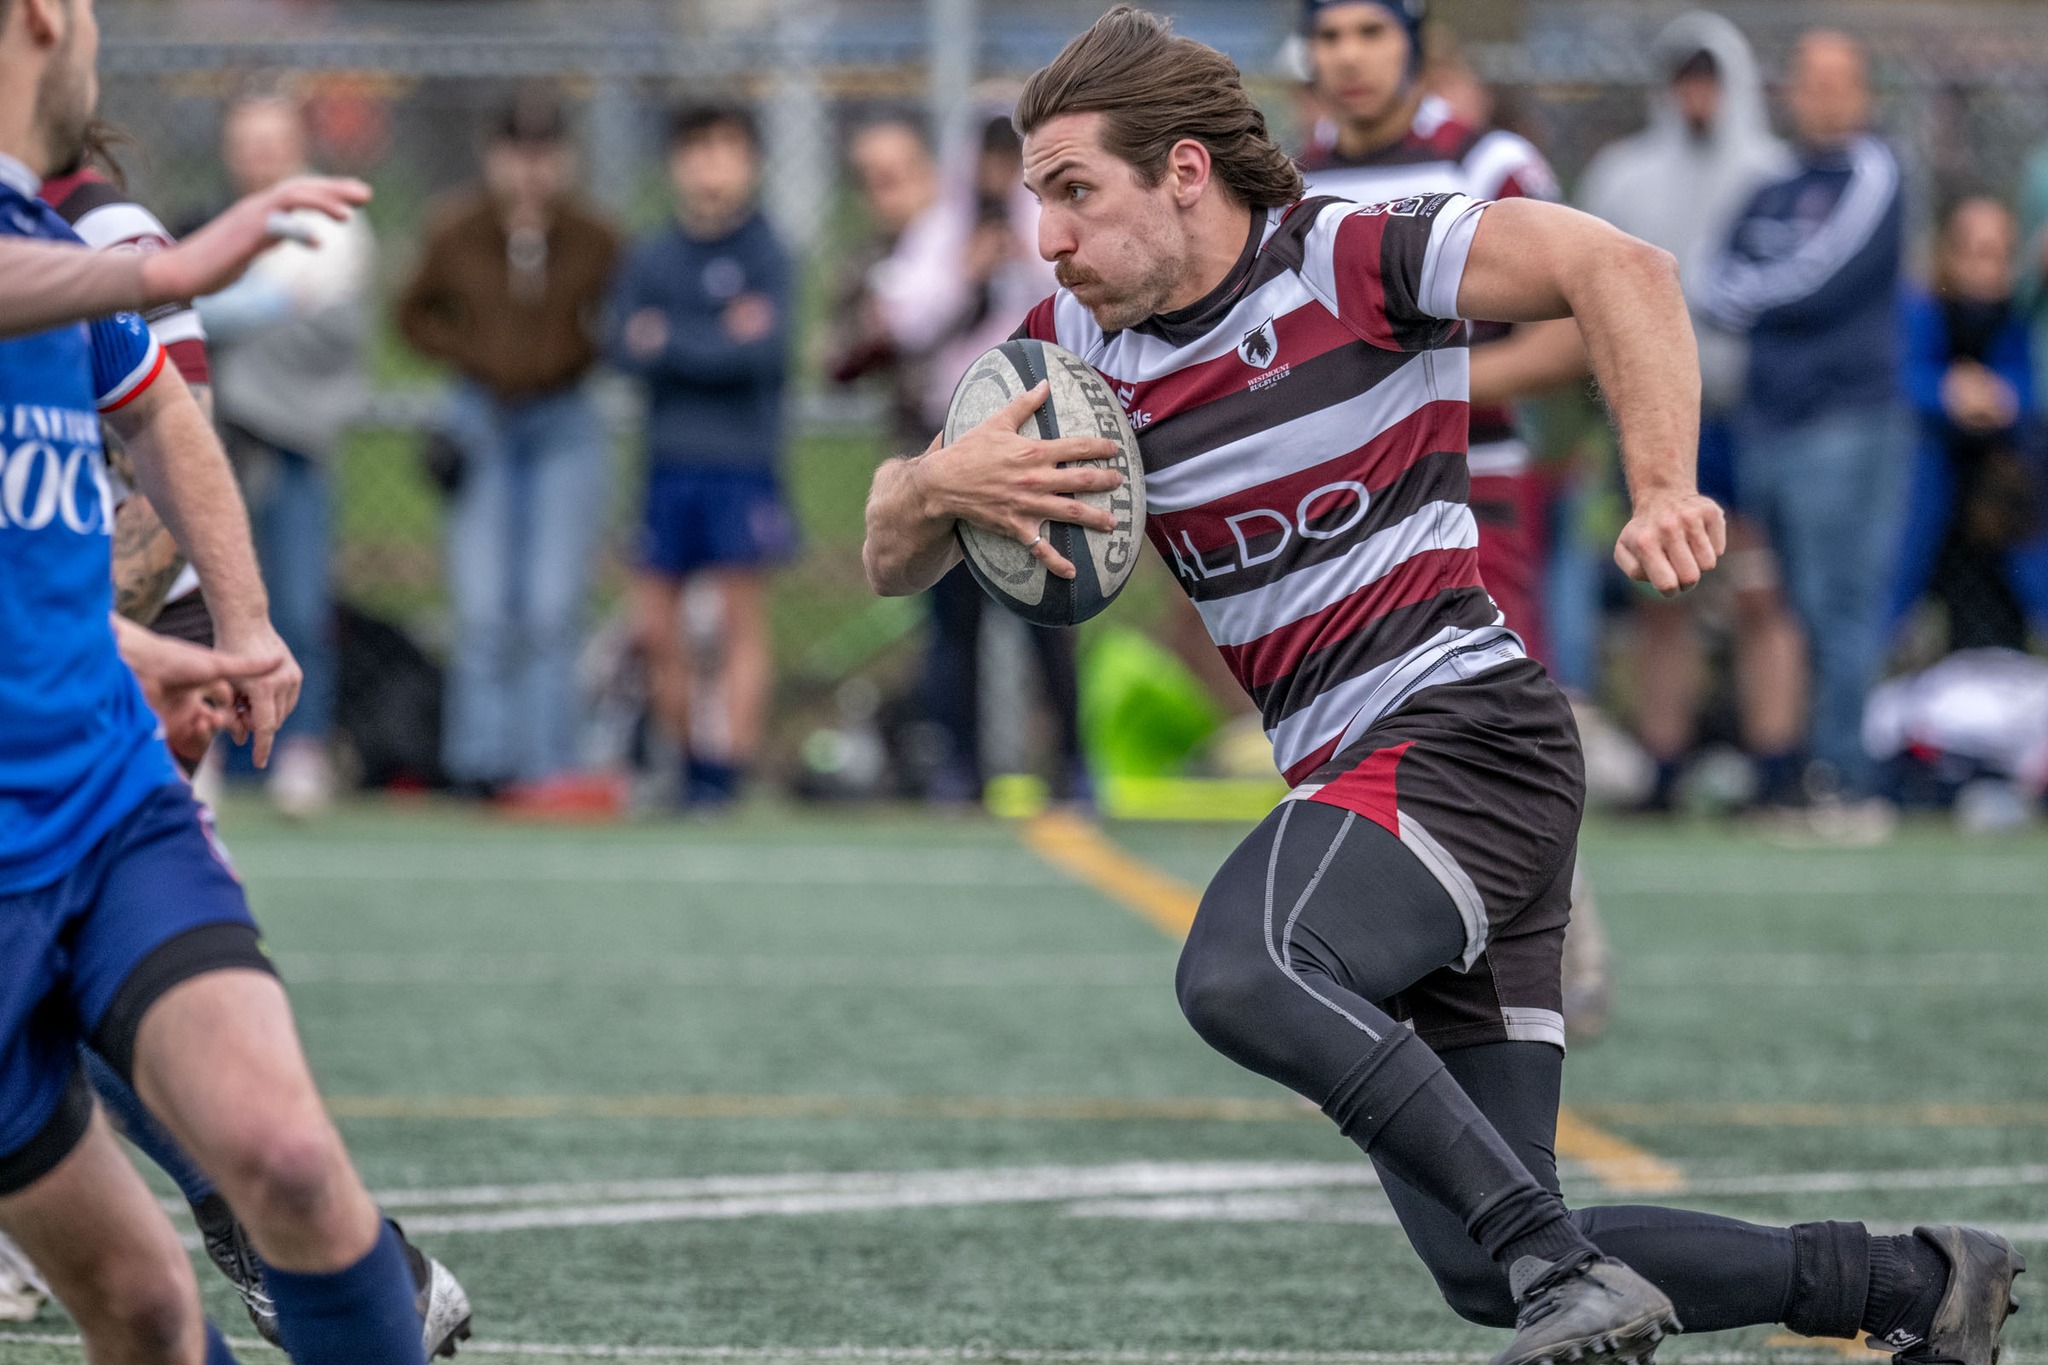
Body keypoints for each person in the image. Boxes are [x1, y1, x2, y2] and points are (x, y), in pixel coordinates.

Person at [861, 10, 2025, 1365]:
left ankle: (1559, 1264)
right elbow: (892, 549)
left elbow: (1625, 267)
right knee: (1483, 1263)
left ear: (1185, 171)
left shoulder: (1352, 253)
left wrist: (1662, 489)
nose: (1048, 237)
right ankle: (1915, 1281)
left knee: (1243, 965)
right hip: (1395, 781)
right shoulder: (1072, 339)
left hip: (1462, 736)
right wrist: (942, 483)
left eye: (1074, 193)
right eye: (1036, 201)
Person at [0, 0, 439, 1360]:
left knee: (288, 1162)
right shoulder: (75, 264)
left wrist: (216, 635)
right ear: (45, 20)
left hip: (102, 806)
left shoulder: (60, 253)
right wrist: (171, 265)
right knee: (137, 1303)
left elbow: (150, 431)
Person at [1294, 0, 1614, 1040]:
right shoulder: (1288, 181)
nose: (1347, 57)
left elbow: (1578, 328)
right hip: (1337, 504)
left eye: (1369, 33)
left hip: (1470, 488)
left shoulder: (1491, 163)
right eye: (1328, 36)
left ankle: (1559, 954)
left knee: (1495, 714)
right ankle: (1388, 965)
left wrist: (1424, 388)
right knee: (1355, 725)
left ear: (1414, 45)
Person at [1577, 13, 1808, 814]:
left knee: (1757, 587)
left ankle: (1775, 761)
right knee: (1659, 589)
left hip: (1750, 411)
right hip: (1649, 413)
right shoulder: (1625, 176)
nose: (1698, 93)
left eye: (1711, 75)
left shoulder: (1774, 172)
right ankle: (1664, 761)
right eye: (1686, 76)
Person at [840, 112, 1090, 804]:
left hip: (1033, 442)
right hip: (953, 443)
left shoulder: (1039, 223)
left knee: (1050, 615)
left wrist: (1018, 257)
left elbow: (1071, 304)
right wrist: (965, 273)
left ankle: (1071, 763)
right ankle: (962, 767)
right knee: (955, 625)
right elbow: (905, 319)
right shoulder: (942, 231)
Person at [1694, 32, 1907, 830]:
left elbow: (1821, 275)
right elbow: (1713, 278)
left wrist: (1752, 298)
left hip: (1844, 423)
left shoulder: (1874, 172)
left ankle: (1848, 778)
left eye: (1837, 82)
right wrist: (1749, 295)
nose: (1821, 97)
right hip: (1768, 425)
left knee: (1838, 603)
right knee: (1775, 605)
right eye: (1808, 81)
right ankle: (1790, 769)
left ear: (1864, 92)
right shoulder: (1774, 187)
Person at [399, 90, 620, 802]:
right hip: (481, 416)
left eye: (544, 152)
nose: (530, 169)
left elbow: (623, 317)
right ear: (494, 156)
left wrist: (579, 350)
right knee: (485, 600)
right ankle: (481, 762)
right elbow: (409, 313)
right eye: (517, 152)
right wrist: (469, 350)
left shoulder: (595, 235)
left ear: (564, 158)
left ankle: (547, 761)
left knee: (553, 602)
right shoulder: (457, 228)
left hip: (563, 417)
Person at [196, 90, 375, 819]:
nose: (257, 153)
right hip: (219, 444)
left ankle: (298, 750)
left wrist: (199, 297)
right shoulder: (210, 218)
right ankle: (202, 745)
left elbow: (233, 308)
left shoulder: (326, 222)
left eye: (272, 138)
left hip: (295, 441)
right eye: (246, 138)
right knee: (205, 594)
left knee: (297, 600)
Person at [607, 103, 792, 808]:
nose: (710, 164)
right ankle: (683, 763)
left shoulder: (768, 251)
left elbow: (762, 350)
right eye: (696, 149)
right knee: (658, 626)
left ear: (749, 162)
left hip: (742, 461)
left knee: (741, 622)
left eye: (726, 149)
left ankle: (728, 771)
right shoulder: (652, 254)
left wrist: (675, 342)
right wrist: (716, 337)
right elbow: (625, 346)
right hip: (666, 462)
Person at [1893, 195, 2048, 650]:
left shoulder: (2018, 320)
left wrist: (2005, 399)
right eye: (1976, 251)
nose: (1987, 268)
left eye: (1999, 253)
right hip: (1927, 514)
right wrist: (1947, 394)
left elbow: (2028, 385)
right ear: (1949, 252)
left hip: (2004, 523)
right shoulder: (1917, 313)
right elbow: (1896, 382)